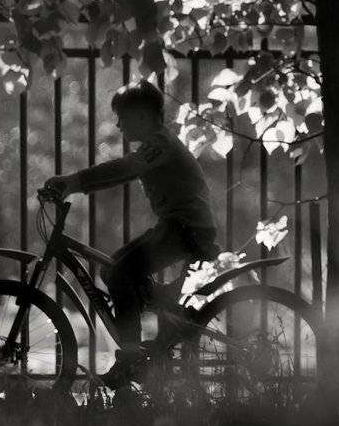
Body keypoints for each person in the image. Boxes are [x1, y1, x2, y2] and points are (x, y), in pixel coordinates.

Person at [44, 79, 219, 385]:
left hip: (187, 229)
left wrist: (73, 182)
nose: (118, 124)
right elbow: (123, 173)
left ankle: (131, 358)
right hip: (178, 226)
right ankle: (165, 319)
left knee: (122, 271)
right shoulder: (157, 144)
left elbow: (124, 168)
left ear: (141, 116)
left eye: (122, 117)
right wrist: (74, 185)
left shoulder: (160, 144)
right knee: (112, 270)